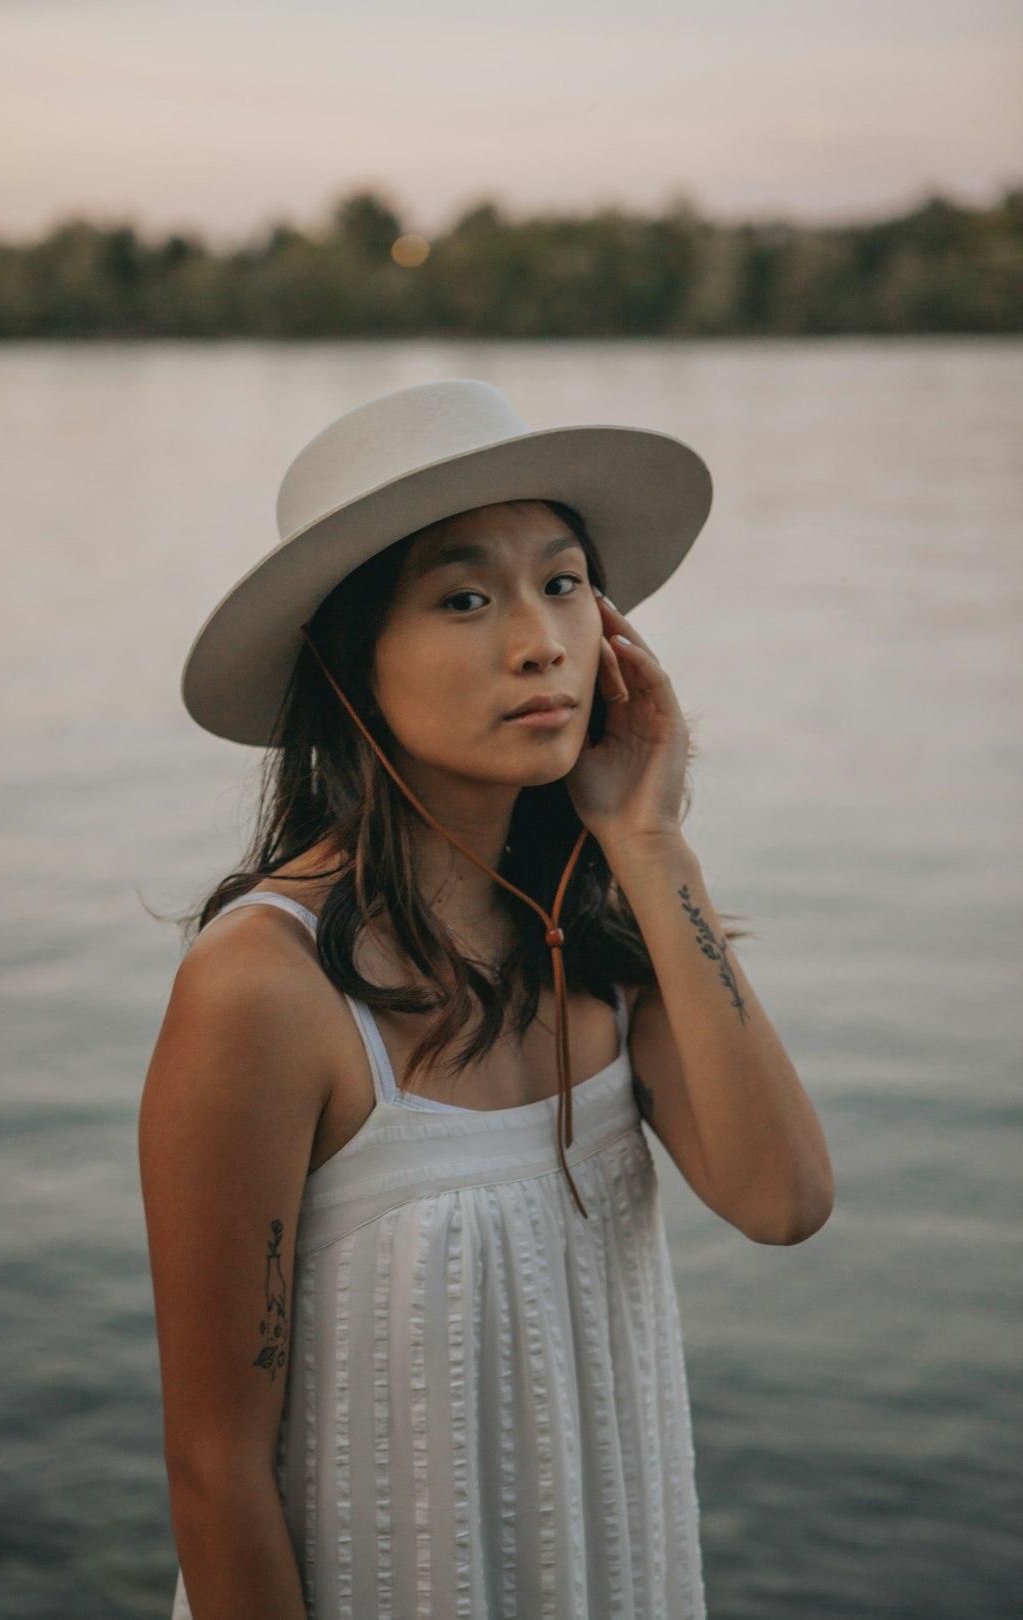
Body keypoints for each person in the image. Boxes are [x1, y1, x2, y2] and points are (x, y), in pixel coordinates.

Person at [139, 378, 834, 1620]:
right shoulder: (263, 991)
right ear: (349, 661)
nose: (538, 641)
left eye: (563, 583)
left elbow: (782, 1200)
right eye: (465, 598)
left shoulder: (607, 931)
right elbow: (214, 1468)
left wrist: (652, 840)